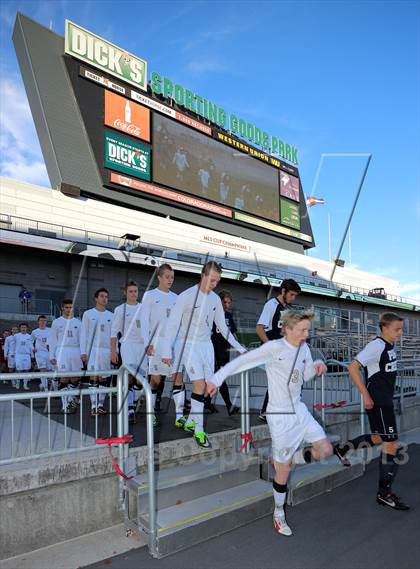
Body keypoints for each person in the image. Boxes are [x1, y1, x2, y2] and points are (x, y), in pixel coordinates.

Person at [206, 310, 330, 536]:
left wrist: (318, 365)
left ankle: (289, 459)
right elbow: (243, 361)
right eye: (302, 330)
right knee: (283, 473)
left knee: (325, 449)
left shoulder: (304, 348)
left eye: (307, 330)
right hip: (280, 416)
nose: (306, 334)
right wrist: (216, 378)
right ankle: (279, 513)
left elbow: (306, 375)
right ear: (288, 329)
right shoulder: (274, 348)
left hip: (299, 410)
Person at [161, 261, 246, 449]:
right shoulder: (185, 297)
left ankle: (192, 420)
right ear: (203, 275)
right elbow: (172, 325)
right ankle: (199, 430)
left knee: (208, 387)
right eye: (212, 280)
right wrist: (167, 350)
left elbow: (222, 329)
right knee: (198, 384)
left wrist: (239, 347)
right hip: (188, 345)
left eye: (217, 281)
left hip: (206, 346)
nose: (214, 285)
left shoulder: (215, 300)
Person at [334, 313, 409, 510]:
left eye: (401, 329)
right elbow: (353, 367)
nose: (400, 333)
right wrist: (366, 395)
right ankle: (384, 494)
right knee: (391, 443)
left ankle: (342, 449)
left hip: (384, 400)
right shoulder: (376, 346)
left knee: (377, 438)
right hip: (379, 402)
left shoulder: (389, 344)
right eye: (397, 329)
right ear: (384, 328)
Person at [256, 278, 301, 421]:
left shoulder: (286, 309)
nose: (293, 298)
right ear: (283, 291)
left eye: (295, 295)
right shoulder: (271, 305)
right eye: (292, 295)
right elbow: (259, 328)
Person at [141, 264, 178, 425]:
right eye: (167, 277)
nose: (170, 280)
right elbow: (143, 321)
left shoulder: (176, 298)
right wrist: (147, 342)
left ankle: (180, 415)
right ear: (159, 277)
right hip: (156, 342)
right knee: (156, 379)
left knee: (177, 376)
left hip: (173, 343)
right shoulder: (149, 295)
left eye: (172, 277)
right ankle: (150, 412)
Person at [111, 280, 146, 422]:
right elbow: (113, 332)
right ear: (125, 293)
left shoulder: (144, 308)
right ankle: (130, 408)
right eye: (130, 291)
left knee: (141, 380)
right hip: (128, 345)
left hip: (142, 346)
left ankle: (135, 400)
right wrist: (113, 351)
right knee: (130, 376)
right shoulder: (120, 309)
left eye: (135, 291)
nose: (133, 294)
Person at [205, 290, 240, 415]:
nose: (227, 305)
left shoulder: (229, 316)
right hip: (214, 350)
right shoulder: (212, 314)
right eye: (224, 302)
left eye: (229, 303)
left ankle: (207, 404)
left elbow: (233, 332)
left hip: (225, 351)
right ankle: (229, 406)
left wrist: (238, 346)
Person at [80, 288, 113, 416]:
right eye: (102, 296)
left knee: (103, 378)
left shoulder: (111, 315)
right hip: (92, 350)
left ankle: (100, 405)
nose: (104, 298)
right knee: (94, 376)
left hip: (106, 351)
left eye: (106, 296)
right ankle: (93, 406)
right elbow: (83, 334)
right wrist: (83, 352)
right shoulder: (88, 314)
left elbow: (113, 336)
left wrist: (114, 352)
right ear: (96, 298)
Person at [48, 299, 83, 413]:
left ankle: (71, 399)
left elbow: (83, 340)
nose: (69, 309)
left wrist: (83, 353)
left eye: (71, 307)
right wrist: (51, 355)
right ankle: (65, 404)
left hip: (75, 351)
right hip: (62, 351)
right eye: (67, 307)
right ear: (63, 308)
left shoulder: (78, 322)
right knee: (64, 378)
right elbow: (53, 340)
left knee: (74, 378)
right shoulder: (57, 322)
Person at [31, 315, 51, 391]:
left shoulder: (50, 330)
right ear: (38, 322)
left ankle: (43, 384)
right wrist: (32, 348)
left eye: (44, 320)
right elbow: (30, 341)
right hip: (39, 353)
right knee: (43, 369)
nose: (43, 322)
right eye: (41, 320)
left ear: (46, 322)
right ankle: (45, 389)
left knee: (49, 370)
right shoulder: (35, 331)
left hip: (49, 353)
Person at [14, 323, 34, 390]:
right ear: (20, 328)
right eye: (22, 327)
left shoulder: (29, 336)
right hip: (19, 355)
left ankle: (25, 384)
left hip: (27, 355)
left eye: (25, 327)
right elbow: (13, 346)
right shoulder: (16, 336)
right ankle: (18, 383)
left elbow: (31, 346)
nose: (23, 328)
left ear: (27, 328)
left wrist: (32, 355)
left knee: (26, 370)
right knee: (18, 370)